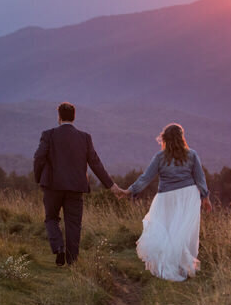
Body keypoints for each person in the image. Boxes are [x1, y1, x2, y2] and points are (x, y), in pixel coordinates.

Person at [33, 102, 122, 266]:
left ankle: (58, 247)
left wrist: (39, 178)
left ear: (59, 117)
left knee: (51, 218)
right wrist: (111, 186)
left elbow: (39, 157)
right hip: (76, 188)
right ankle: (73, 261)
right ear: (74, 117)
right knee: (73, 224)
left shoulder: (49, 135)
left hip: (52, 186)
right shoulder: (84, 138)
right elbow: (95, 163)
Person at [121, 123, 212, 282]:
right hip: (188, 197)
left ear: (165, 139)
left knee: (168, 231)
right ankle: (181, 265)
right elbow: (200, 178)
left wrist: (130, 190)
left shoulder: (160, 158)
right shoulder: (192, 155)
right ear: (181, 137)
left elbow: (146, 178)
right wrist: (205, 197)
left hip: (166, 198)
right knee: (182, 233)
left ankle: (172, 265)